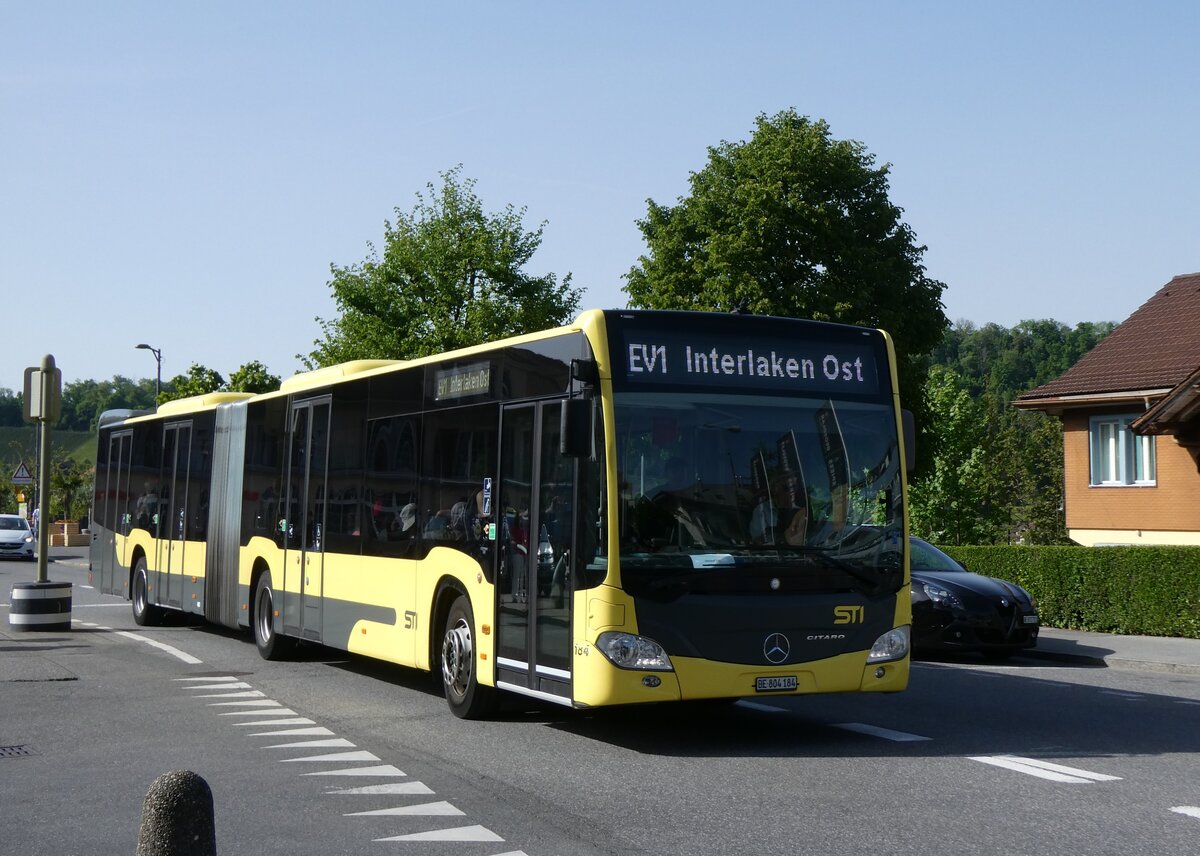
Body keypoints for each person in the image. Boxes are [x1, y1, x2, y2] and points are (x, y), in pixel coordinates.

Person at [750, 477, 807, 546]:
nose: (792, 491)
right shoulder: (761, 510)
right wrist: (782, 537)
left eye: (794, 487)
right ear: (775, 490)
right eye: (786, 488)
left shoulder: (801, 512)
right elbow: (757, 540)